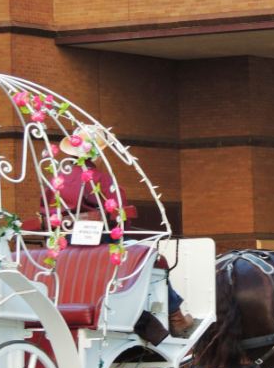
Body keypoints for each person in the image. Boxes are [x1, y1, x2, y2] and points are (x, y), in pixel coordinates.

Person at [53, 126, 194, 338]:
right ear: (97, 153)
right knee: (153, 259)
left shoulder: (57, 182)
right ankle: (175, 316)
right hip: (104, 243)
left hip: (66, 245)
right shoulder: (101, 180)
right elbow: (120, 218)